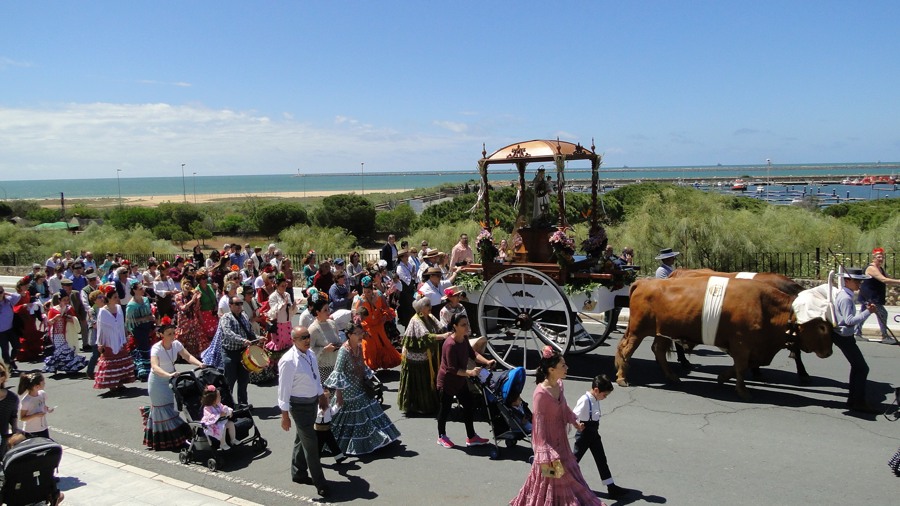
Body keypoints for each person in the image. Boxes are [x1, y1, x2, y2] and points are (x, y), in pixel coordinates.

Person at [510, 346, 603, 506]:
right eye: (563, 366)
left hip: (560, 439)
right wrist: (544, 451)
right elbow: (538, 426)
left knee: (565, 474)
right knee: (555, 477)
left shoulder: (559, 385)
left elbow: (564, 407)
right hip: (546, 444)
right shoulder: (540, 394)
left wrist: (574, 421)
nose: (567, 368)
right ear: (552, 370)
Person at [324, 321, 400, 455]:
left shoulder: (359, 347)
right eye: (357, 333)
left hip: (359, 387)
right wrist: (339, 395)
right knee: (346, 420)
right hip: (348, 392)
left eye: (361, 333)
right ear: (348, 335)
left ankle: (375, 439)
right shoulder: (344, 351)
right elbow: (338, 373)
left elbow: (363, 366)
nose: (360, 336)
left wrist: (368, 377)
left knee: (368, 411)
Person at [277, 326, 330, 498]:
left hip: (312, 403)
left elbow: (316, 377)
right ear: (294, 340)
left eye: (308, 336)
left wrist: (321, 395)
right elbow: (283, 390)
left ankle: (298, 472)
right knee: (311, 445)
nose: (307, 340)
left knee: (302, 438)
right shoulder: (288, 361)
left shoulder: (310, 354)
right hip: (298, 407)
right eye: (302, 338)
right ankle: (320, 483)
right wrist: (284, 415)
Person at [435, 313, 494, 449]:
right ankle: (441, 436)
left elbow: (473, 354)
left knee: (468, 405)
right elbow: (452, 369)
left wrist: (487, 361)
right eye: (463, 325)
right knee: (445, 410)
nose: (466, 327)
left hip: (460, 380)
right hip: (447, 382)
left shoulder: (465, 338)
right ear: (455, 326)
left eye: (466, 324)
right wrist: (470, 372)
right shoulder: (449, 344)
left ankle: (471, 436)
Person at [143, 317, 202, 450]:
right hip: (158, 382)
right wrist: (168, 374)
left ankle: (175, 439)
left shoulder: (176, 344)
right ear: (161, 335)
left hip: (171, 380)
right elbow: (155, 367)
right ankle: (163, 440)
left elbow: (187, 356)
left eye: (173, 333)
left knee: (172, 410)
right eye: (169, 333)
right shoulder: (156, 348)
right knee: (162, 410)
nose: (172, 335)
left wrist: (200, 363)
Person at [833, 267, 880, 414]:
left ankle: (853, 399)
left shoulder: (845, 294)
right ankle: (858, 402)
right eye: (857, 281)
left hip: (844, 336)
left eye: (860, 281)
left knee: (857, 367)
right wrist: (868, 312)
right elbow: (849, 321)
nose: (859, 284)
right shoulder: (846, 298)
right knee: (862, 368)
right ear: (847, 281)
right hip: (844, 336)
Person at [573, 374, 626, 499]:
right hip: (584, 434)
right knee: (573, 460)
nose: (605, 397)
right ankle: (559, 483)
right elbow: (573, 415)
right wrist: (577, 425)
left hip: (594, 434)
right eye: (604, 395)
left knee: (602, 460)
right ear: (596, 390)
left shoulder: (595, 399)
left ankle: (611, 486)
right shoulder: (585, 400)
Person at [398, 298, 443, 415]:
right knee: (418, 380)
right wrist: (443, 336)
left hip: (427, 355)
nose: (430, 307)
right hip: (415, 356)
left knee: (427, 378)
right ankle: (416, 405)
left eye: (429, 304)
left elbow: (440, 327)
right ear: (421, 308)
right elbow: (425, 337)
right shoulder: (416, 320)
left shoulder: (430, 317)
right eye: (427, 305)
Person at [653, 248, 693, 370]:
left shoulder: (670, 269)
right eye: (671, 257)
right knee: (674, 332)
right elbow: (666, 285)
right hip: (666, 303)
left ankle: (680, 357)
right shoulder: (661, 271)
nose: (673, 259)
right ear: (666, 259)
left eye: (673, 257)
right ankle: (679, 357)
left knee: (675, 333)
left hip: (673, 301)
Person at [218, 296, 261, 406]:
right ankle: (226, 405)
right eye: (236, 304)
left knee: (243, 380)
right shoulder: (226, 318)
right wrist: (243, 341)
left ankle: (243, 404)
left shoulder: (244, 316)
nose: (239, 306)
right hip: (230, 353)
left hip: (243, 353)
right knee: (229, 381)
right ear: (230, 305)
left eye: (240, 304)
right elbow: (228, 333)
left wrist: (258, 338)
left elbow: (250, 332)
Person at [352, 277, 402, 371]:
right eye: (365, 291)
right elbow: (356, 316)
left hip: (379, 325)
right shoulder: (361, 300)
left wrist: (384, 316)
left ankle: (385, 362)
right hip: (368, 326)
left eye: (368, 292)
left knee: (384, 344)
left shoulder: (379, 295)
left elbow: (386, 307)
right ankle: (370, 368)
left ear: (372, 289)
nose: (366, 294)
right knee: (369, 347)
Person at [94, 285, 136, 394]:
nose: (117, 299)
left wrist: (125, 336)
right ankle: (111, 384)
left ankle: (120, 382)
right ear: (108, 298)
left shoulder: (118, 308)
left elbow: (122, 324)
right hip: (108, 339)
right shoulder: (103, 311)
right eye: (114, 297)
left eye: (117, 297)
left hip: (119, 338)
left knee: (121, 359)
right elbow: (100, 328)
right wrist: (100, 343)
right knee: (110, 361)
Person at [859, 247, 900, 344]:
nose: (881, 259)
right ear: (873, 258)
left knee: (864, 314)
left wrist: (896, 283)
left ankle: (857, 332)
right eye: (879, 257)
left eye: (882, 257)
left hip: (874, 296)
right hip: (870, 296)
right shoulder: (871, 268)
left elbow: (888, 279)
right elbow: (883, 280)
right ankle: (884, 336)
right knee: (883, 314)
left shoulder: (880, 268)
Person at [43, 291, 88, 374]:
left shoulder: (69, 308)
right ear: (59, 300)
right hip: (57, 334)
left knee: (69, 349)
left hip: (68, 333)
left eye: (67, 300)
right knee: (61, 350)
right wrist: (55, 318)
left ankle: (69, 367)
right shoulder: (53, 310)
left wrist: (70, 319)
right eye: (64, 300)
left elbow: (75, 319)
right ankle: (57, 366)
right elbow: (49, 323)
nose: (66, 302)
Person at [439, 286, 488, 359]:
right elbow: (444, 327)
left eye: (459, 295)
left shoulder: (461, 307)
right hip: (452, 338)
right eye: (456, 295)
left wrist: (467, 333)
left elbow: (466, 321)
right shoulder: (444, 311)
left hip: (464, 336)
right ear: (450, 298)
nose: (459, 297)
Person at [126, 279, 155, 382]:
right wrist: (144, 319)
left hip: (148, 327)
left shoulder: (146, 300)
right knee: (143, 348)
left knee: (149, 347)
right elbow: (129, 320)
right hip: (138, 329)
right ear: (134, 290)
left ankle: (150, 369)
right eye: (140, 289)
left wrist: (151, 318)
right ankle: (142, 371)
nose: (142, 290)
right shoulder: (131, 305)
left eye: (142, 288)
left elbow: (149, 312)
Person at [308, 298, 342, 384]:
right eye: (325, 310)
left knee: (336, 394)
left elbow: (338, 338)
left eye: (328, 309)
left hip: (336, 365)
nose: (328, 312)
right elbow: (309, 350)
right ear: (317, 312)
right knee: (325, 394)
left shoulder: (332, 323)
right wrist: (324, 349)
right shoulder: (313, 329)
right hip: (322, 368)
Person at [18, 371, 53, 439]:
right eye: (43, 382)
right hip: (31, 431)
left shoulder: (42, 394)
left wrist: (48, 409)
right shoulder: (26, 400)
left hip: (43, 428)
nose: (44, 383)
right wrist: (35, 415)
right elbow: (22, 418)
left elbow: (43, 406)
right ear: (36, 386)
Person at [201, 385, 236, 450]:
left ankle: (233, 440)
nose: (220, 397)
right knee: (222, 428)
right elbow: (209, 417)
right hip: (212, 425)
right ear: (213, 400)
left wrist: (229, 411)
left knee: (231, 424)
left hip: (221, 422)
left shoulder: (218, 404)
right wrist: (219, 415)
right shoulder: (207, 408)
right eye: (219, 396)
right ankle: (223, 444)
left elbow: (224, 408)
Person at [175, 279, 204, 357]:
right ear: (182, 285)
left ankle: (192, 355)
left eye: (190, 285)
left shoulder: (191, 295)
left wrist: (197, 300)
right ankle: (179, 355)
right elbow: (183, 308)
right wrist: (192, 300)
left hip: (192, 319)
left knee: (193, 337)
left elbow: (196, 308)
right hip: (183, 320)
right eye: (186, 284)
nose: (188, 286)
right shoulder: (178, 296)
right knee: (182, 337)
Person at [314, 391, 345, 462]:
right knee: (319, 445)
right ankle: (316, 460)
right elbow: (318, 415)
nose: (328, 399)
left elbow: (332, 412)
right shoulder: (318, 407)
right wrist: (322, 412)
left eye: (329, 398)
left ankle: (339, 457)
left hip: (327, 428)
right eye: (326, 398)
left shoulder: (328, 406)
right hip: (319, 430)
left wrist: (338, 406)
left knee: (332, 443)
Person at [0, 361, 20, 462]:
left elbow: (13, 416)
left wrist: (15, 432)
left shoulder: (12, 398)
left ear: (3, 377)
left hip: (3, 441)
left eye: (1, 374)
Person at [0, 284, 22, 372]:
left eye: (1, 292)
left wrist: (7, 293)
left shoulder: (8, 301)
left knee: (17, 346)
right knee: (5, 350)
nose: (0, 294)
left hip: (11, 329)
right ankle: (8, 367)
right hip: (1, 332)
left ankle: (11, 360)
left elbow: (18, 296)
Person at [395, 249, 417, 326]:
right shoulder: (400, 268)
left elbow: (414, 275)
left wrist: (413, 275)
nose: (407, 257)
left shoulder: (409, 264)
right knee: (408, 313)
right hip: (405, 292)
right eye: (405, 256)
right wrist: (412, 276)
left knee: (413, 311)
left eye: (407, 255)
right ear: (401, 258)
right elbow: (406, 280)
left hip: (411, 290)